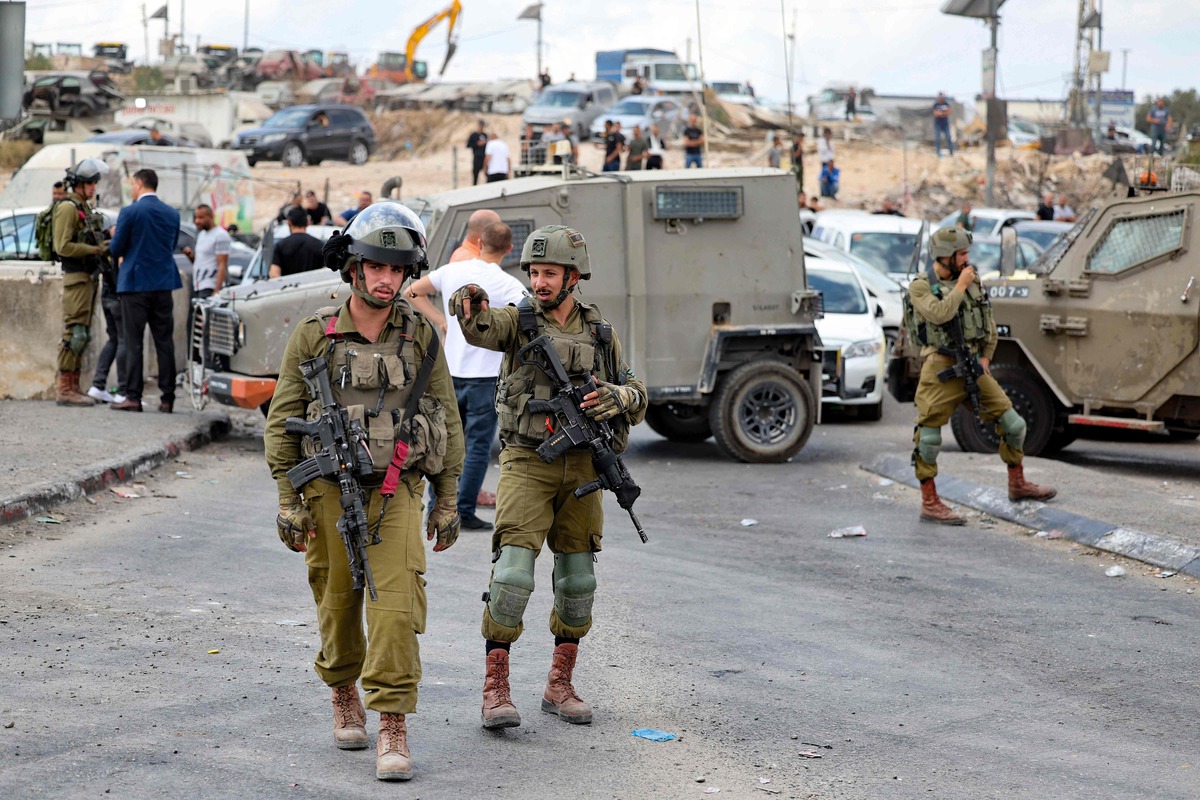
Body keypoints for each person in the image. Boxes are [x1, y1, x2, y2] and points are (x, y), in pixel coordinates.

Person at [265, 200, 465, 782]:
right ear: (354, 269)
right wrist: (286, 498)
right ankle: (342, 688)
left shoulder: (422, 334)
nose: (386, 279)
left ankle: (393, 720)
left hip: (397, 489)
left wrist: (447, 497)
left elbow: (446, 418)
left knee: (397, 605)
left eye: (397, 269)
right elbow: (283, 418)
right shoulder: (315, 335)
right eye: (376, 266)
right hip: (326, 490)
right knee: (337, 600)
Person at [449, 224, 647, 731]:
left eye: (549, 273)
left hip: (584, 465)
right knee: (513, 575)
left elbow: (636, 390)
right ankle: (496, 690)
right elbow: (481, 326)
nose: (539, 281)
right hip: (527, 462)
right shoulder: (518, 320)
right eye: (534, 272)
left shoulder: (601, 331)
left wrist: (619, 398)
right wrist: (468, 302)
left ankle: (559, 685)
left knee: (579, 582)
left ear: (573, 277)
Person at [906, 228, 1057, 525]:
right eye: (961, 254)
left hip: (973, 366)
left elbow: (988, 321)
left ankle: (1017, 483)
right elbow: (939, 314)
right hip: (940, 368)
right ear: (945, 257)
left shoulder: (973, 281)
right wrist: (960, 286)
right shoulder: (921, 287)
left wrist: (986, 355)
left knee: (1014, 425)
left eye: (966, 254)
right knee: (928, 438)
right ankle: (929, 501)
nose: (967, 259)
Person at [406, 222, 528, 531]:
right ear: (509, 249)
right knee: (477, 447)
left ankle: (437, 504)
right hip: (485, 377)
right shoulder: (506, 282)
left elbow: (412, 291)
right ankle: (463, 509)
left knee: (443, 442)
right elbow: (529, 311)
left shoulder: (452, 270)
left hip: (449, 373)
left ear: (478, 243)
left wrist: (440, 321)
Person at [109, 168, 182, 413]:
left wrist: (115, 237)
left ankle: (133, 396)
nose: (131, 188)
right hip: (163, 283)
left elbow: (116, 248)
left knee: (133, 341)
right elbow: (170, 246)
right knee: (164, 341)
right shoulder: (172, 213)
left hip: (135, 284)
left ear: (139, 183)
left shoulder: (130, 211)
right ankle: (167, 397)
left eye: (132, 184)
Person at [51, 159, 111, 406]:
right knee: (74, 333)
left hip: (88, 277)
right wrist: (94, 249)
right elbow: (62, 246)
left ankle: (74, 385)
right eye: (89, 183)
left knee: (83, 334)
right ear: (78, 184)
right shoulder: (67, 208)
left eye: (94, 183)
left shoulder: (84, 208)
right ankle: (64, 389)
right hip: (76, 278)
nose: (93, 187)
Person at [183, 204, 231, 301]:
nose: (197, 221)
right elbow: (199, 262)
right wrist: (190, 256)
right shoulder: (202, 235)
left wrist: (216, 291)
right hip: (198, 285)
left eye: (201, 218)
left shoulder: (220, 235)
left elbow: (222, 264)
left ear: (211, 217)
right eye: (195, 218)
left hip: (210, 286)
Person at [270, 207, 325, 278]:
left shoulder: (280, 246)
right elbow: (326, 273)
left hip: (289, 288)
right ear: (308, 223)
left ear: (289, 222)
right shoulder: (320, 245)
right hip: (314, 288)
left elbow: (274, 275)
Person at [467, 120, 489, 186]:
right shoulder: (474, 135)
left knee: (487, 174)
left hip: (484, 158)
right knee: (475, 175)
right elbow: (468, 145)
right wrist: (477, 144)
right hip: (477, 157)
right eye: (480, 125)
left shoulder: (485, 135)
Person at [932, 92, 954, 157]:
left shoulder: (946, 104)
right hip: (938, 124)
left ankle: (951, 152)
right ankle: (937, 152)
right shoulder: (936, 105)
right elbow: (936, 114)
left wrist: (942, 113)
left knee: (949, 138)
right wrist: (943, 113)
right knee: (938, 139)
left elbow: (949, 111)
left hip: (945, 124)